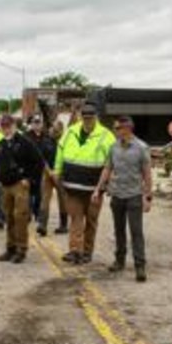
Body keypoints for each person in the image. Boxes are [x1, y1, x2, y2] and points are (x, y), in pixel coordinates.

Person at [55, 103, 116, 265]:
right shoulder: (71, 131)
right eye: (85, 117)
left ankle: (87, 252)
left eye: (90, 117)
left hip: (94, 189)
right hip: (72, 186)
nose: (87, 120)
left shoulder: (106, 135)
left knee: (91, 220)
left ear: (96, 117)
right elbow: (60, 151)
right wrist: (57, 170)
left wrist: (109, 183)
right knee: (75, 218)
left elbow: (112, 163)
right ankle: (75, 250)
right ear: (81, 116)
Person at [94, 116, 153, 282]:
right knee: (118, 230)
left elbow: (147, 173)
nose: (115, 131)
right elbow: (107, 168)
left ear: (127, 129)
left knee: (136, 232)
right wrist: (98, 188)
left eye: (117, 128)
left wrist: (147, 196)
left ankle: (140, 266)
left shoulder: (141, 148)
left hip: (134, 195)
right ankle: (119, 260)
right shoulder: (113, 147)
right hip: (117, 195)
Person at [0, 115, 44, 264]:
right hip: (6, 186)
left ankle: (21, 249)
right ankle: (11, 248)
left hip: (19, 186)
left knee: (20, 217)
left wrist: (29, 179)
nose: (6, 129)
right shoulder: (0, 144)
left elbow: (38, 162)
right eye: (3, 127)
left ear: (14, 126)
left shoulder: (24, 142)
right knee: (8, 217)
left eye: (8, 126)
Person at [25, 115, 55, 233]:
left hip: (43, 171)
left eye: (39, 122)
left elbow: (51, 154)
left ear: (42, 124)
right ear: (31, 123)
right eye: (35, 122)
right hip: (29, 170)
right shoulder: (26, 137)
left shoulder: (47, 138)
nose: (37, 124)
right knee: (27, 196)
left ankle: (38, 216)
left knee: (40, 196)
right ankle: (28, 214)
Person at [47, 120, 69, 234]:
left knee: (63, 199)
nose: (53, 131)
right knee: (46, 198)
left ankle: (64, 224)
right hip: (48, 171)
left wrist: (59, 172)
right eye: (53, 129)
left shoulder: (65, 140)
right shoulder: (49, 140)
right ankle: (42, 224)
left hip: (61, 173)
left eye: (56, 129)